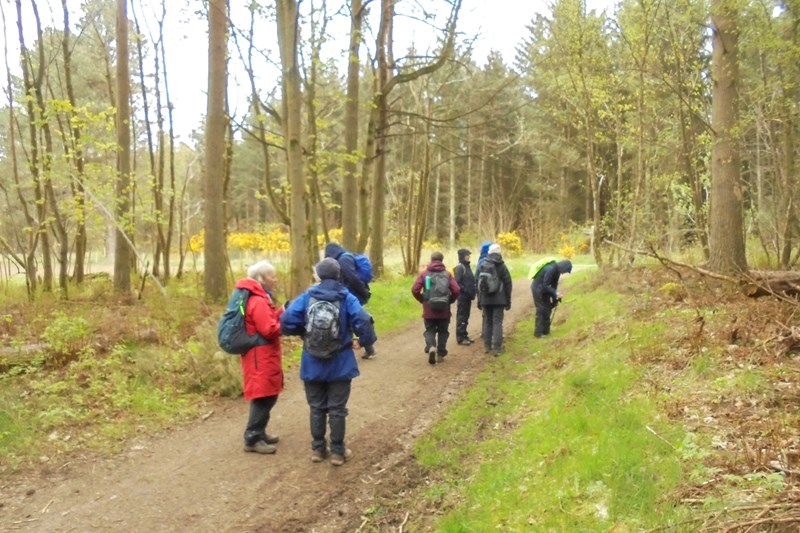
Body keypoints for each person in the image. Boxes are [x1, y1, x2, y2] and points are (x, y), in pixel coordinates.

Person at [280, 258, 377, 466]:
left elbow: (286, 320)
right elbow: (364, 321)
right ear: (339, 275)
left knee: (316, 407)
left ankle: (317, 449)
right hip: (340, 361)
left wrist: (303, 334)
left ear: (318, 276)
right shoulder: (346, 297)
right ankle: (338, 452)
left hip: (312, 360)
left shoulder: (307, 296)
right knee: (337, 408)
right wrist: (363, 341)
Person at [236, 260, 285, 454]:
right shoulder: (257, 300)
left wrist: (282, 311)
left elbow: (268, 320)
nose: (275, 279)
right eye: (272, 276)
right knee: (263, 396)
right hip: (260, 356)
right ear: (262, 279)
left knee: (268, 394)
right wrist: (287, 324)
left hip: (262, 354)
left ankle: (259, 431)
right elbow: (269, 329)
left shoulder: (260, 297)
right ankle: (252, 438)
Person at [324, 242, 376, 359]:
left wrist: (363, 292)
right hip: (350, 293)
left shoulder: (344, 259)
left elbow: (353, 278)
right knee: (353, 320)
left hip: (352, 293)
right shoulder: (344, 258)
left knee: (356, 320)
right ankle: (368, 347)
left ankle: (365, 346)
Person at [411, 251, 460, 365]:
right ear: (442, 260)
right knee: (443, 331)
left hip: (429, 308)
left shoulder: (424, 274)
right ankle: (441, 354)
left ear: (431, 260)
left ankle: (432, 346)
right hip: (444, 308)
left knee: (429, 330)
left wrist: (422, 299)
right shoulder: (447, 274)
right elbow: (456, 289)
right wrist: (450, 300)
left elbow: (414, 289)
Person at [475, 243, 512, 356]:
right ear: (499, 252)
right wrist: (508, 300)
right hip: (499, 299)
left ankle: (487, 346)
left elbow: (477, 283)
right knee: (497, 322)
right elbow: (508, 283)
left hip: (485, 299)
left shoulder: (482, 265)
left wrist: (479, 299)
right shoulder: (501, 266)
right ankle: (497, 348)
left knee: (487, 322)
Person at [531, 259, 572, 338]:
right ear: (563, 267)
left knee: (548, 309)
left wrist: (555, 298)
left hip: (545, 290)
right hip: (537, 289)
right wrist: (555, 293)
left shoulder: (557, 272)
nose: (564, 273)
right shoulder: (550, 269)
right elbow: (545, 285)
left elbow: (554, 285)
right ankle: (538, 333)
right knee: (541, 309)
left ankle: (546, 331)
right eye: (565, 271)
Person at [453, 248, 476, 345]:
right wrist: (466, 291)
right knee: (462, 316)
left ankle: (464, 335)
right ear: (462, 256)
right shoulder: (460, 267)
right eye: (467, 255)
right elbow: (457, 283)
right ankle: (460, 337)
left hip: (468, 297)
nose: (469, 256)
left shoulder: (467, 266)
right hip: (463, 297)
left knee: (466, 317)